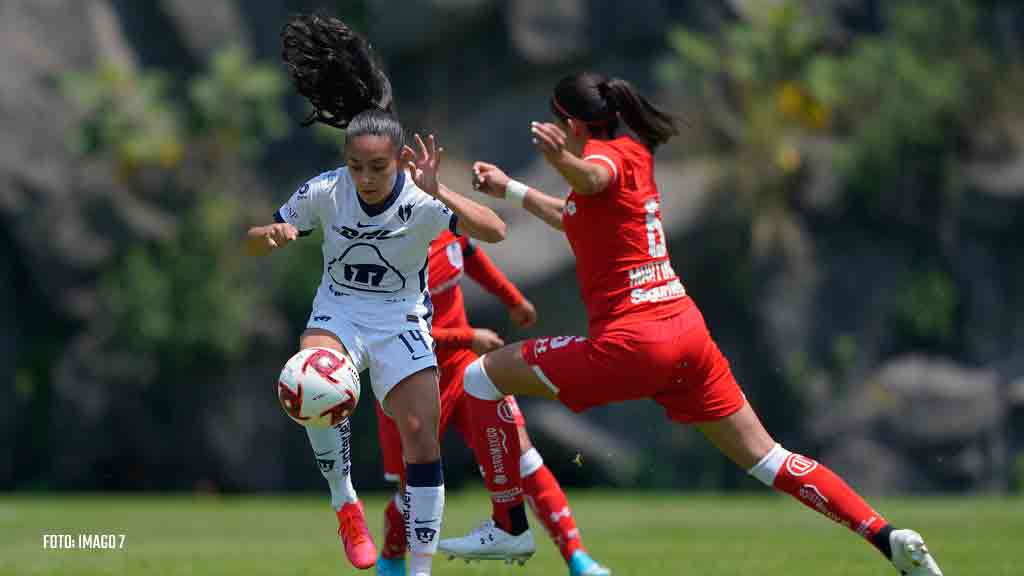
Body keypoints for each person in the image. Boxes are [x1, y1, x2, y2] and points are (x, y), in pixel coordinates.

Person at [437, 71, 944, 576]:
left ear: (568, 123)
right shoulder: (635, 154)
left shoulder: (601, 161)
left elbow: (592, 176)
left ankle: (508, 526)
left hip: (633, 344)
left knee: (481, 378)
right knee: (767, 458)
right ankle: (885, 535)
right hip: (685, 333)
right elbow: (576, 209)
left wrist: (560, 161)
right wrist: (512, 189)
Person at [246, 14, 507, 576]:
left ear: (399, 161)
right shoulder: (324, 191)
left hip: (401, 321)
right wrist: (269, 236)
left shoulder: (419, 200)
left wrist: (445, 195)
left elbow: (495, 230)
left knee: (421, 441)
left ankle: (419, 571)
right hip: (337, 312)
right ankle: (345, 504)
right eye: (356, 165)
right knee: (310, 378)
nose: (365, 177)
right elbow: (255, 237)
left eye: (378, 167)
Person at [373, 229, 610, 576]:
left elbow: (468, 253)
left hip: (464, 369)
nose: (416, 172)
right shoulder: (375, 245)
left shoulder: (444, 219)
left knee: (523, 456)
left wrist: (511, 297)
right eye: (404, 169)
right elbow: (394, 328)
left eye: (420, 168)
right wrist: (469, 336)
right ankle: (392, 559)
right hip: (409, 381)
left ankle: (579, 560)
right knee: (414, 494)